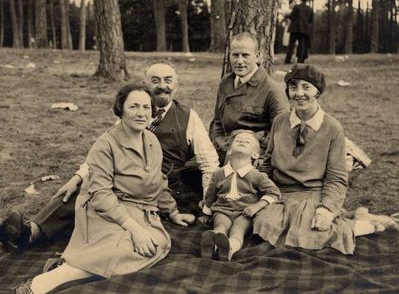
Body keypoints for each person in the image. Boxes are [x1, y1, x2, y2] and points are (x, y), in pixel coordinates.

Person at [1, 61, 219, 252]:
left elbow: (209, 163)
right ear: (145, 85)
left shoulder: (189, 117)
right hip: (122, 176)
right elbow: (105, 150)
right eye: (155, 80)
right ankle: (31, 232)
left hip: (158, 187)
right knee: (82, 189)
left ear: (176, 85)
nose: (162, 85)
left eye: (168, 80)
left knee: (103, 199)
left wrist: (207, 207)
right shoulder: (132, 111)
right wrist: (78, 176)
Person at [16, 85, 195, 293]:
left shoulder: (152, 140)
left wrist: (172, 212)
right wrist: (135, 229)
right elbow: (100, 195)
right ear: (121, 110)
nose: (141, 113)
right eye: (134, 106)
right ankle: (47, 281)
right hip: (104, 210)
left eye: (146, 107)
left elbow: (158, 182)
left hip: (139, 210)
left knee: (156, 245)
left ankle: (73, 267)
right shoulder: (106, 144)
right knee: (132, 247)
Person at [253, 64, 399, 255]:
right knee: (262, 223)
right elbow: (267, 163)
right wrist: (257, 189)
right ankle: (358, 218)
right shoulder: (280, 122)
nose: (299, 93)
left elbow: (337, 177)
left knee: (311, 232)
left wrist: (325, 210)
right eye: (293, 87)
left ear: (318, 92)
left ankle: (373, 224)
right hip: (281, 193)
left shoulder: (332, 128)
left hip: (313, 194)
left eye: (306, 87)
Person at [200, 130, 281, 262]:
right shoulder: (219, 173)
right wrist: (206, 213)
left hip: (244, 212)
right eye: (238, 140)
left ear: (255, 154)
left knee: (238, 229)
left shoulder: (257, 176)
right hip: (223, 210)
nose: (242, 141)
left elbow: (274, 192)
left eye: (247, 141)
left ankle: (229, 249)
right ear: (230, 150)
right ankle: (212, 245)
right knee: (220, 226)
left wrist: (257, 206)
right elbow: (210, 194)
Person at [210, 32, 290, 164]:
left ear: (257, 56)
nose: (240, 61)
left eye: (245, 55)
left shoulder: (272, 89)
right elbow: (218, 122)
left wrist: (261, 156)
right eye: (235, 55)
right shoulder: (226, 83)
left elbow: (282, 133)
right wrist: (224, 145)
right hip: (226, 151)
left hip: (256, 157)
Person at [284, 0, 313, 64]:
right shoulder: (309, 9)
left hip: (294, 29)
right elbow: (311, 20)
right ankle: (300, 60)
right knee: (302, 45)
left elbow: (292, 16)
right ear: (307, 0)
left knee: (291, 45)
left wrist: (287, 15)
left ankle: (288, 60)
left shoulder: (297, 7)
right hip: (304, 30)